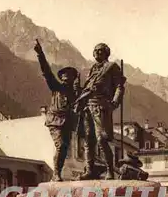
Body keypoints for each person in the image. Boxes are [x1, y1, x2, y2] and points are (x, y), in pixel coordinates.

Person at [75, 43, 126, 180]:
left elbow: (119, 86)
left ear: (106, 53)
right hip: (87, 107)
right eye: (95, 51)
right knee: (88, 140)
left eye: (100, 51)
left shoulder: (111, 67)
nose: (97, 53)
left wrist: (115, 102)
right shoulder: (92, 70)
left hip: (101, 106)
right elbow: (88, 89)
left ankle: (110, 170)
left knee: (101, 139)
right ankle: (90, 170)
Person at [34, 39, 80, 181]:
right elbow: (46, 71)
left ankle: (57, 173)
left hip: (67, 123)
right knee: (61, 146)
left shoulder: (75, 93)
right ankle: (56, 174)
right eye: (64, 77)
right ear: (61, 78)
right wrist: (40, 54)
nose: (67, 79)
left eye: (70, 77)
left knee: (65, 148)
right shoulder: (56, 87)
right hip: (55, 120)